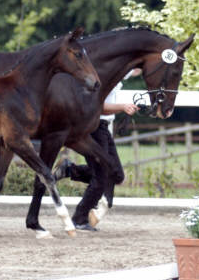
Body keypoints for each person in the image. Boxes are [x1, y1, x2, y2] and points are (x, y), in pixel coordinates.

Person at [54, 68, 141, 231]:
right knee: (102, 177)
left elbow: (136, 69)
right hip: (94, 128)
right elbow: (97, 107)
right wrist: (122, 107)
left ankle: (70, 170)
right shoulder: (100, 77)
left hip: (104, 128)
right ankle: (79, 219)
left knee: (117, 175)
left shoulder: (118, 69)